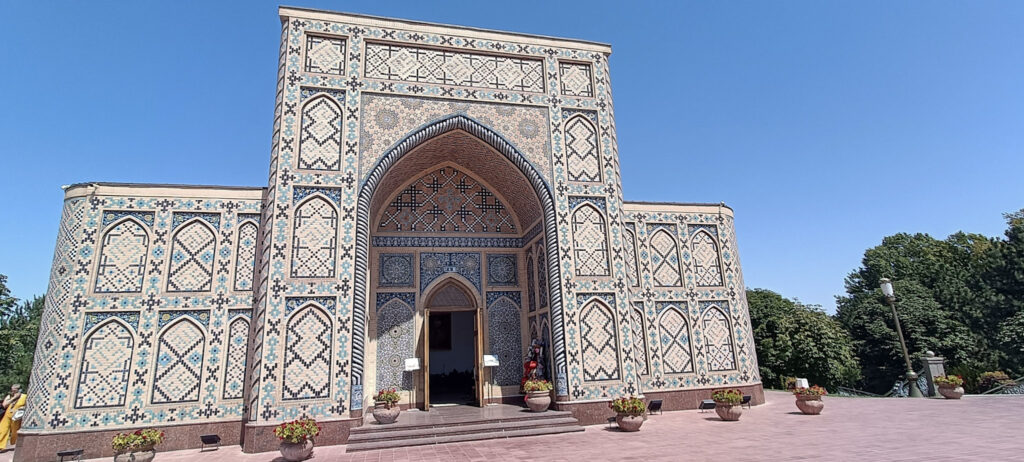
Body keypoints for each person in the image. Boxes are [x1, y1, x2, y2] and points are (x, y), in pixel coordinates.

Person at [0, 384, 26, 451]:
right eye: (12, 389)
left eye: (15, 389)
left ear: (19, 389)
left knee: (15, 431)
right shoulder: (10, 396)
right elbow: (4, 405)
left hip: (16, 416)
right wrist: (13, 398)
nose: (13, 390)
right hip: (7, 415)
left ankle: (16, 445)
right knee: (2, 429)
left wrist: (22, 409)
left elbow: (27, 405)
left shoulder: (24, 396)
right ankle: (1, 446)